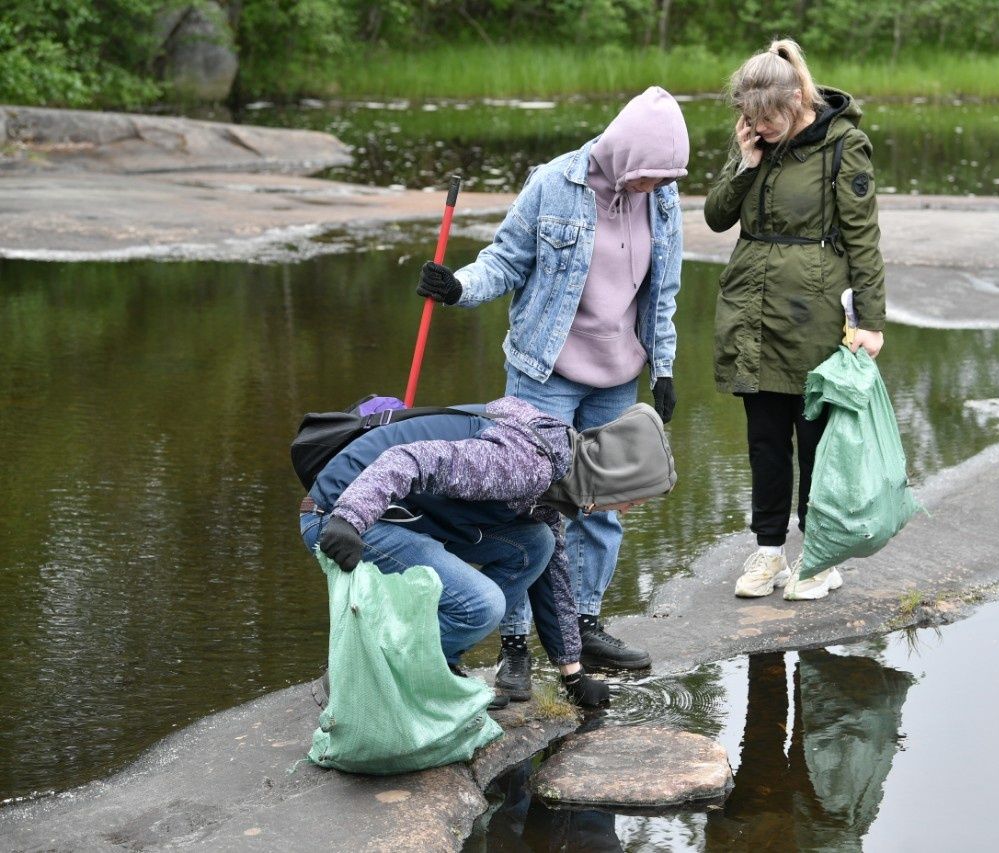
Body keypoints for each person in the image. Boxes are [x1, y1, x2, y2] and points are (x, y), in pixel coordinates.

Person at [414, 86, 689, 694]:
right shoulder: (554, 185)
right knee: (523, 506)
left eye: (663, 180)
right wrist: (457, 287)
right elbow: (506, 261)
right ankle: (515, 647)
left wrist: (663, 367)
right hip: (545, 370)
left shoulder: (664, 200)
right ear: (622, 154)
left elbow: (663, 291)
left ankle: (583, 627)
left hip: (618, 376)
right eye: (647, 177)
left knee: (601, 508)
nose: (654, 189)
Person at [299, 397, 677, 709]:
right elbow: (410, 459)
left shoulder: (562, 464)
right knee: (481, 604)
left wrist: (573, 675)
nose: (626, 510)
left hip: (394, 512)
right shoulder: (526, 464)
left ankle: (438, 664)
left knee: (536, 545)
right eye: (634, 500)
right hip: (341, 516)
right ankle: (359, 672)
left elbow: (554, 579)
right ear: (616, 478)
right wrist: (350, 517)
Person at [703, 39, 887, 601]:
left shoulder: (844, 145)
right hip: (751, 306)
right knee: (764, 438)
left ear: (798, 99)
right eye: (751, 119)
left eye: (769, 118)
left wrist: (871, 322)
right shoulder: (754, 142)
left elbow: (863, 238)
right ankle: (767, 555)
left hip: (815, 311)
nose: (761, 126)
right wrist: (746, 163)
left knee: (815, 440)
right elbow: (715, 217)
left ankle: (820, 556)